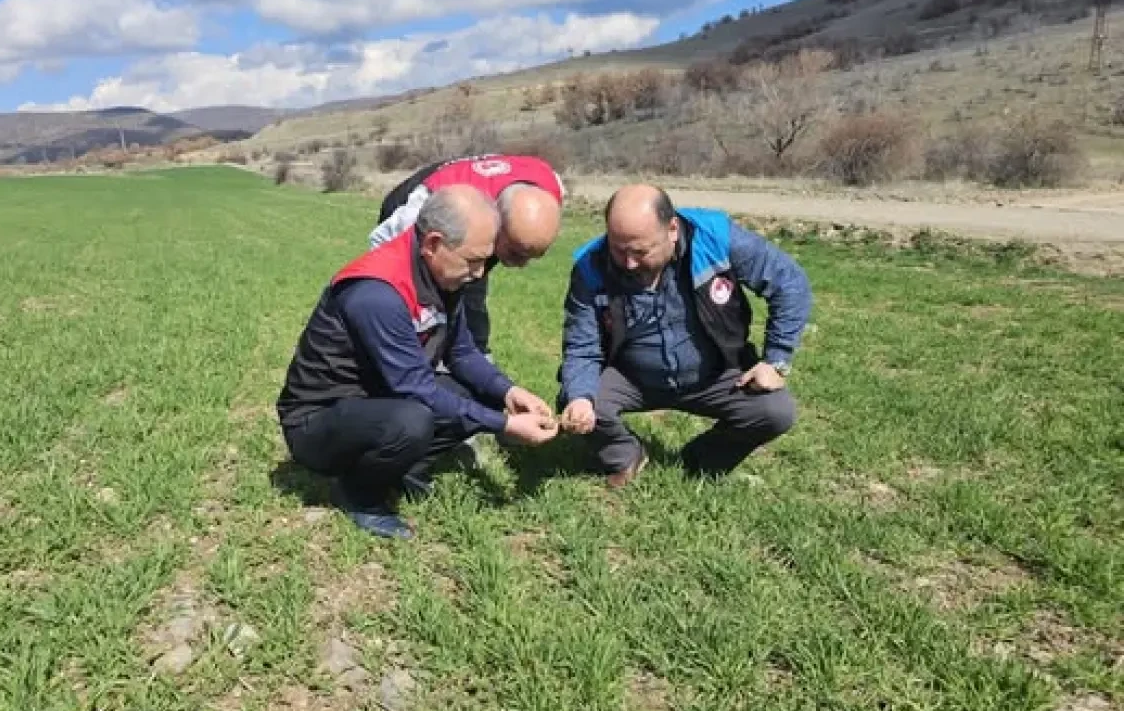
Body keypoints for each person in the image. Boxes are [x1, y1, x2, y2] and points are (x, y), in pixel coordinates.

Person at [277, 185, 559, 539]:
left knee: (473, 394)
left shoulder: (442, 275)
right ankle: (359, 495)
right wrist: (503, 426)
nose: (479, 273)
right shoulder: (377, 292)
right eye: (472, 261)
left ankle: (401, 469)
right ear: (433, 244)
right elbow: (415, 387)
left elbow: (462, 353)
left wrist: (508, 393)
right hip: (317, 422)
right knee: (413, 419)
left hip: (373, 400)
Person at [557, 184, 813, 487]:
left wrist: (776, 359)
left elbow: (789, 282)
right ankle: (625, 456)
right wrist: (580, 399)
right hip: (633, 377)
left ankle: (701, 461)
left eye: (640, 251)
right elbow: (581, 346)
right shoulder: (591, 267)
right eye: (618, 249)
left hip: (715, 373)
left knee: (775, 411)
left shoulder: (715, 237)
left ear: (672, 229)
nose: (629, 263)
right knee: (575, 398)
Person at [370, 153, 565, 357]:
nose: (522, 264)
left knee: (471, 293)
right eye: (515, 252)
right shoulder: (433, 202)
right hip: (413, 205)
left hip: (482, 212)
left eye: (532, 256)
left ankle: (474, 357)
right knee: (428, 294)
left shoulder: (550, 186)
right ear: (496, 223)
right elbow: (381, 245)